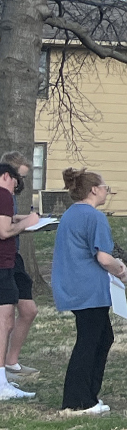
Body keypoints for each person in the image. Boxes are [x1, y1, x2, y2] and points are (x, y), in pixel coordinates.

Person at [53, 168, 125, 415]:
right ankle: (77, 401)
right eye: (105, 186)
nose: (107, 190)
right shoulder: (94, 217)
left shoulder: (70, 214)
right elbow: (104, 258)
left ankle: (90, 396)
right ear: (94, 189)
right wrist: (121, 271)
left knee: (103, 337)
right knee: (89, 341)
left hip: (72, 286)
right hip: (89, 289)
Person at [0, 153, 42, 400]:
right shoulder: (4, 194)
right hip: (4, 264)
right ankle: (2, 383)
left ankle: (5, 375)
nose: (18, 185)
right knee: (4, 322)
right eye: (17, 179)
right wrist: (27, 223)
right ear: (7, 175)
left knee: (9, 319)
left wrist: (20, 219)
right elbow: (4, 231)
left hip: (9, 262)